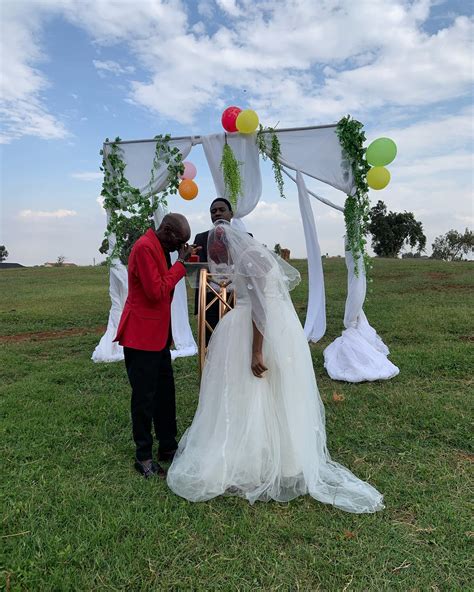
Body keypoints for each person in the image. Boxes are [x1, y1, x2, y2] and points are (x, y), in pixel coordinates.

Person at [167, 221, 384, 512]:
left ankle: (253, 462)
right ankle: (275, 456)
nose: (215, 254)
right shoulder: (252, 255)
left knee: (254, 386)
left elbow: (260, 307)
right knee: (263, 391)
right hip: (267, 326)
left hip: (256, 329)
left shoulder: (246, 260)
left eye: (216, 249)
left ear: (225, 244)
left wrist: (256, 350)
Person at [114, 213, 194, 478]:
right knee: (144, 398)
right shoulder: (144, 247)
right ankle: (144, 456)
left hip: (158, 336)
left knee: (165, 394)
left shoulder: (162, 247)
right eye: (180, 241)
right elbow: (156, 291)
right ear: (168, 231)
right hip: (140, 337)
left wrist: (183, 259)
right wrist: (181, 265)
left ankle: (168, 447)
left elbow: (166, 285)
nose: (179, 247)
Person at [193, 198, 234, 345]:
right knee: (211, 343)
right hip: (209, 298)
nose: (217, 213)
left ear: (231, 213)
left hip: (236, 299)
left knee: (235, 342)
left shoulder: (246, 238)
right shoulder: (201, 238)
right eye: (213, 211)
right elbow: (197, 268)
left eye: (222, 210)